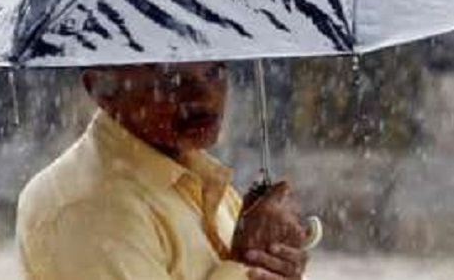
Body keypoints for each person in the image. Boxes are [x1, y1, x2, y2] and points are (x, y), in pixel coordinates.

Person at [17, 61, 310, 279]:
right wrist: (248, 266)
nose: (204, 98)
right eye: (172, 78)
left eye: (214, 72)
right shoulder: (85, 209)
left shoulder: (199, 178)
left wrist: (273, 262)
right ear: (101, 87)